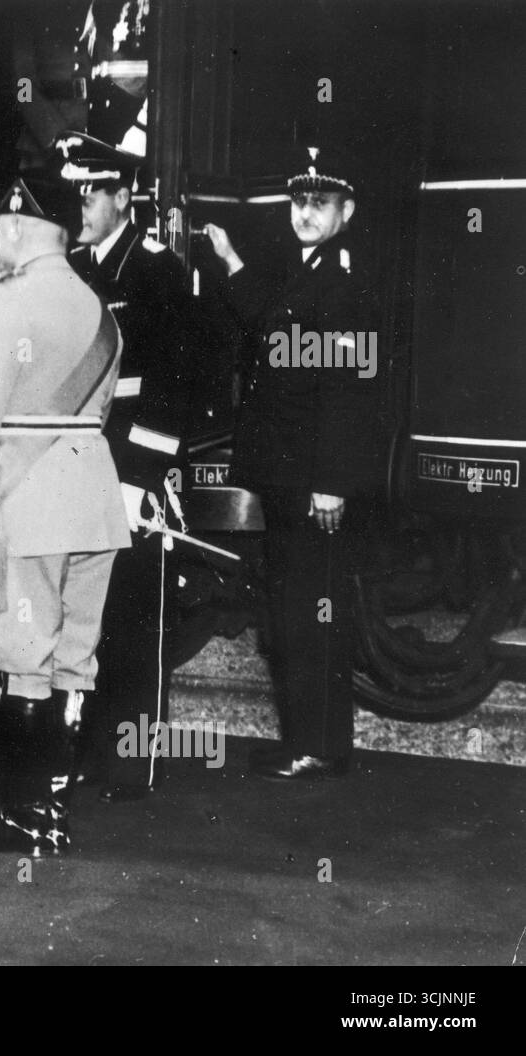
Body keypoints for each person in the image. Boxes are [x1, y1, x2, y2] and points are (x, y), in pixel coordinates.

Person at [0, 170, 130, 856]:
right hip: (96, 503)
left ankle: (23, 819)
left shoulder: (1, 302)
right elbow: (102, 411)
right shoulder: (99, 308)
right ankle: (54, 814)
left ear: (17, 226)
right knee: (76, 662)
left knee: (24, 661)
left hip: (28, 507)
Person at [204, 144, 380, 780]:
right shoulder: (304, 272)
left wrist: (331, 483)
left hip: (312, 482)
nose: (305, 211)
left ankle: (321, 745)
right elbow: (269, 322)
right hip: (290, 477)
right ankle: (309, 739)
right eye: (299, 200)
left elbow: (348, 392)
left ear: (346, 210)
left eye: (320, 202)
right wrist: (228, 262)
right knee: (293, 607)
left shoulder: (345, 285)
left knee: (312, 611)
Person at [54, 131, 194, 801]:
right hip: (78, 461)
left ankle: (129, 762)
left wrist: (141, 478)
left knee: (135, 613)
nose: (78, 203)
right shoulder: (75, 266)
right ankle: (78, 748)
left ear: (122, 196)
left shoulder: (158, 269)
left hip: (132, 465)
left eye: (89, 192)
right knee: (82, 610)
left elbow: (173, 384)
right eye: (74, 191)